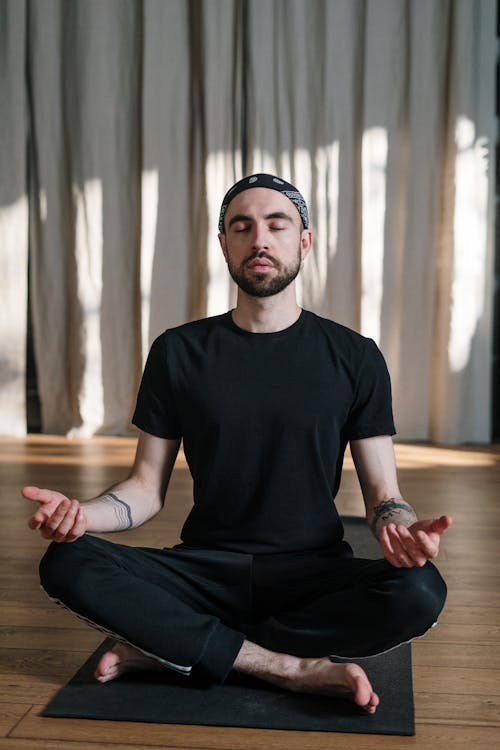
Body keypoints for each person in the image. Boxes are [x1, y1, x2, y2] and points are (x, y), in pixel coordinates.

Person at [23, 173, 451, 715]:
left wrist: (400, 528)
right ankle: (286, 666)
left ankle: (179, 648)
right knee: (66, 564)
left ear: (305, 241)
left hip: (310, 574)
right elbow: (145, 489)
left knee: (420, 591)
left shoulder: (355, 357)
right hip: (204, 570)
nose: (261, 240)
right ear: (224, 245)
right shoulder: (178, 352)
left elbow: (383, 495)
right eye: (242, 228)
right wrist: (78, 515)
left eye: (278, 225)